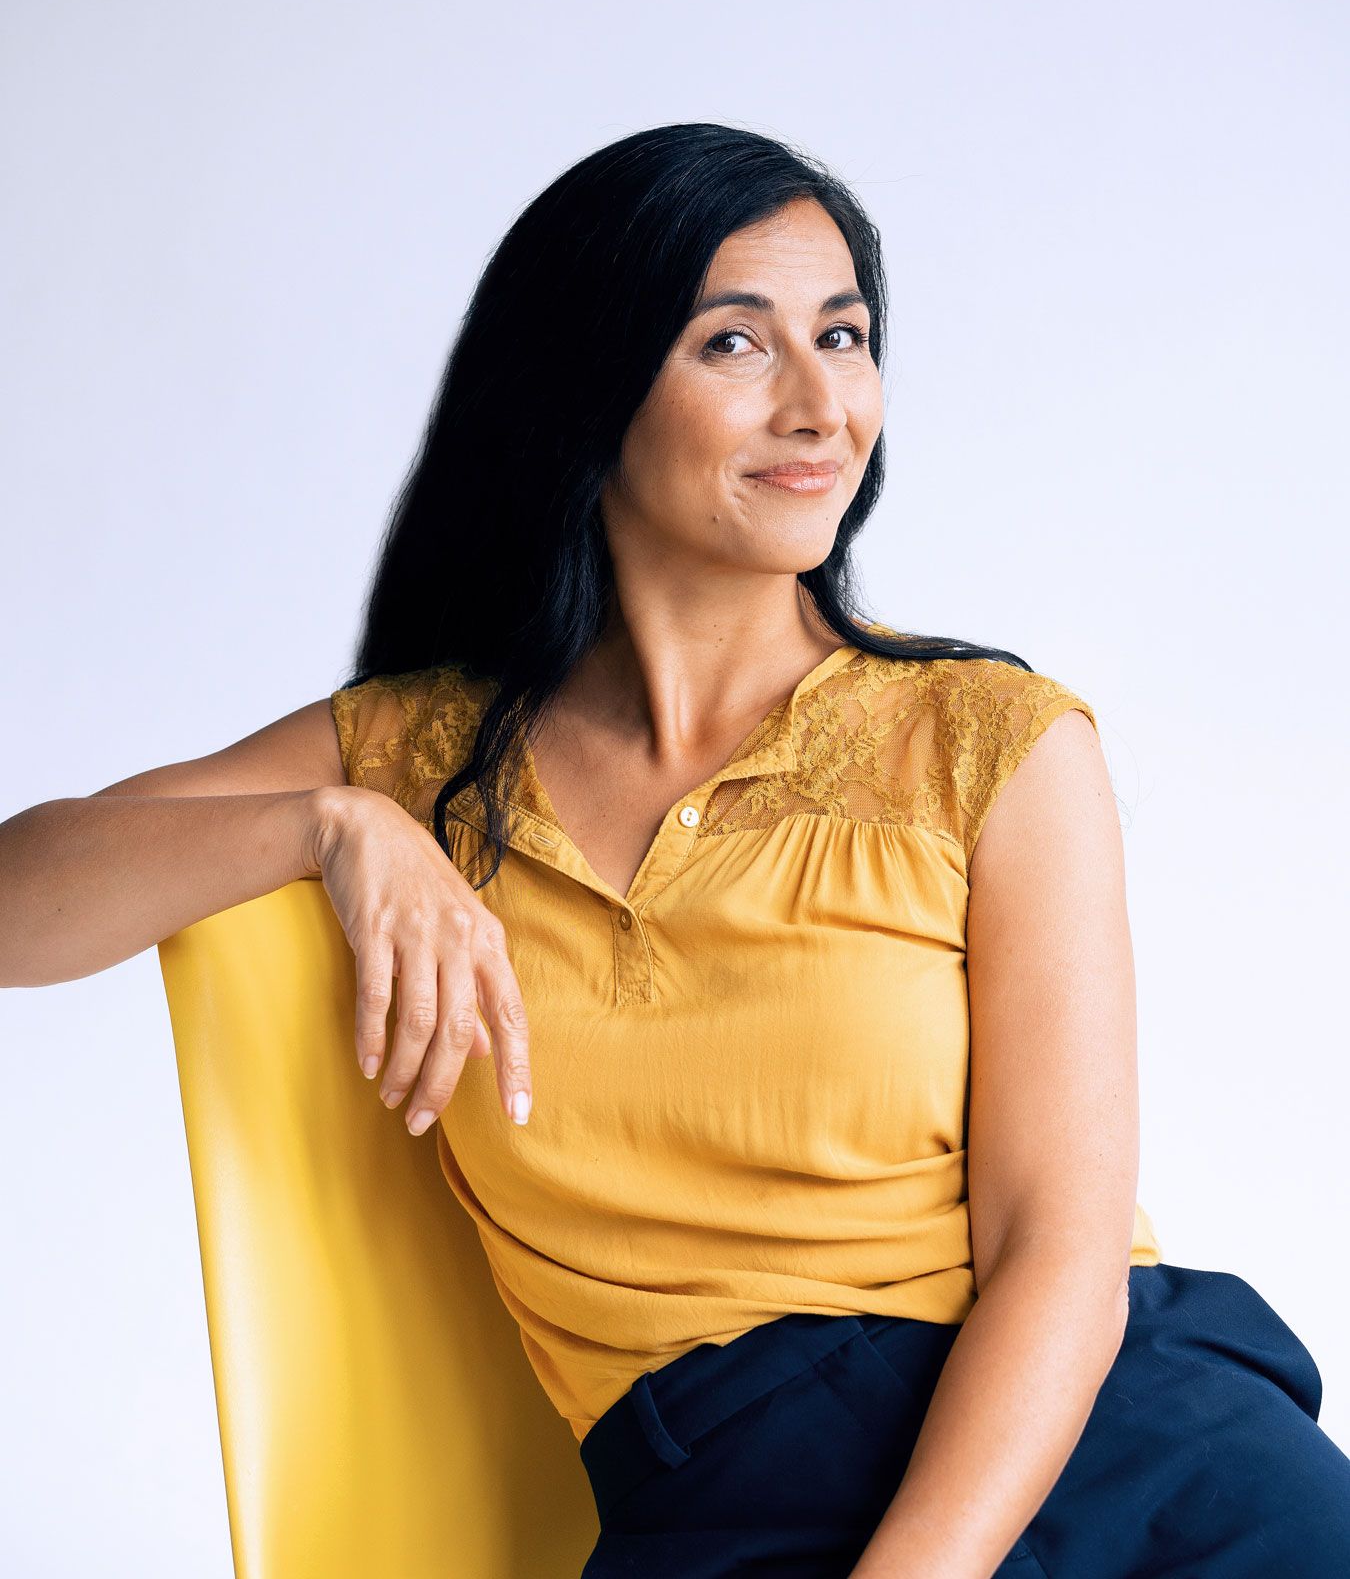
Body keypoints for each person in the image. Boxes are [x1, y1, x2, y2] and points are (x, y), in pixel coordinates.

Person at [4, 122, 1347, 1577]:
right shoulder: (415, 754)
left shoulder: (991, 742)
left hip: (1115, 1443)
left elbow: (1057, 1257)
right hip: (730, 1487)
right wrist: (329, 824)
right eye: (735, 344)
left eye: (844, 337)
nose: (820, 406)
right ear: (586, 389)